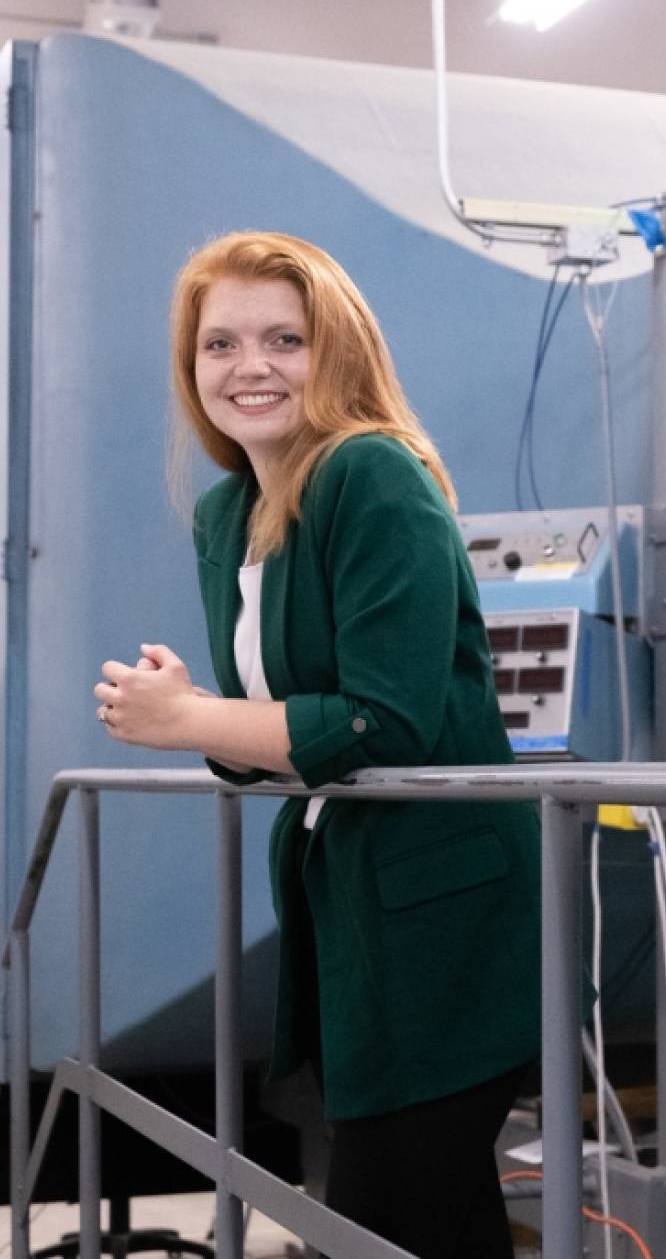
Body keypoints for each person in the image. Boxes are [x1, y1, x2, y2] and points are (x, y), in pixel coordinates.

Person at [93, 231, 540, 1259]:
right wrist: (198, 713)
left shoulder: (371, 475)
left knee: (399, 1217)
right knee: (419, 1219)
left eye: (283, 339)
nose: (249, 368)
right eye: (220, 345)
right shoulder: (230, 512)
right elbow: (278, 736)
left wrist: (190, 718)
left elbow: (382, 723)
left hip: (446, 923)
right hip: (345, 911)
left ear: (336, 351)